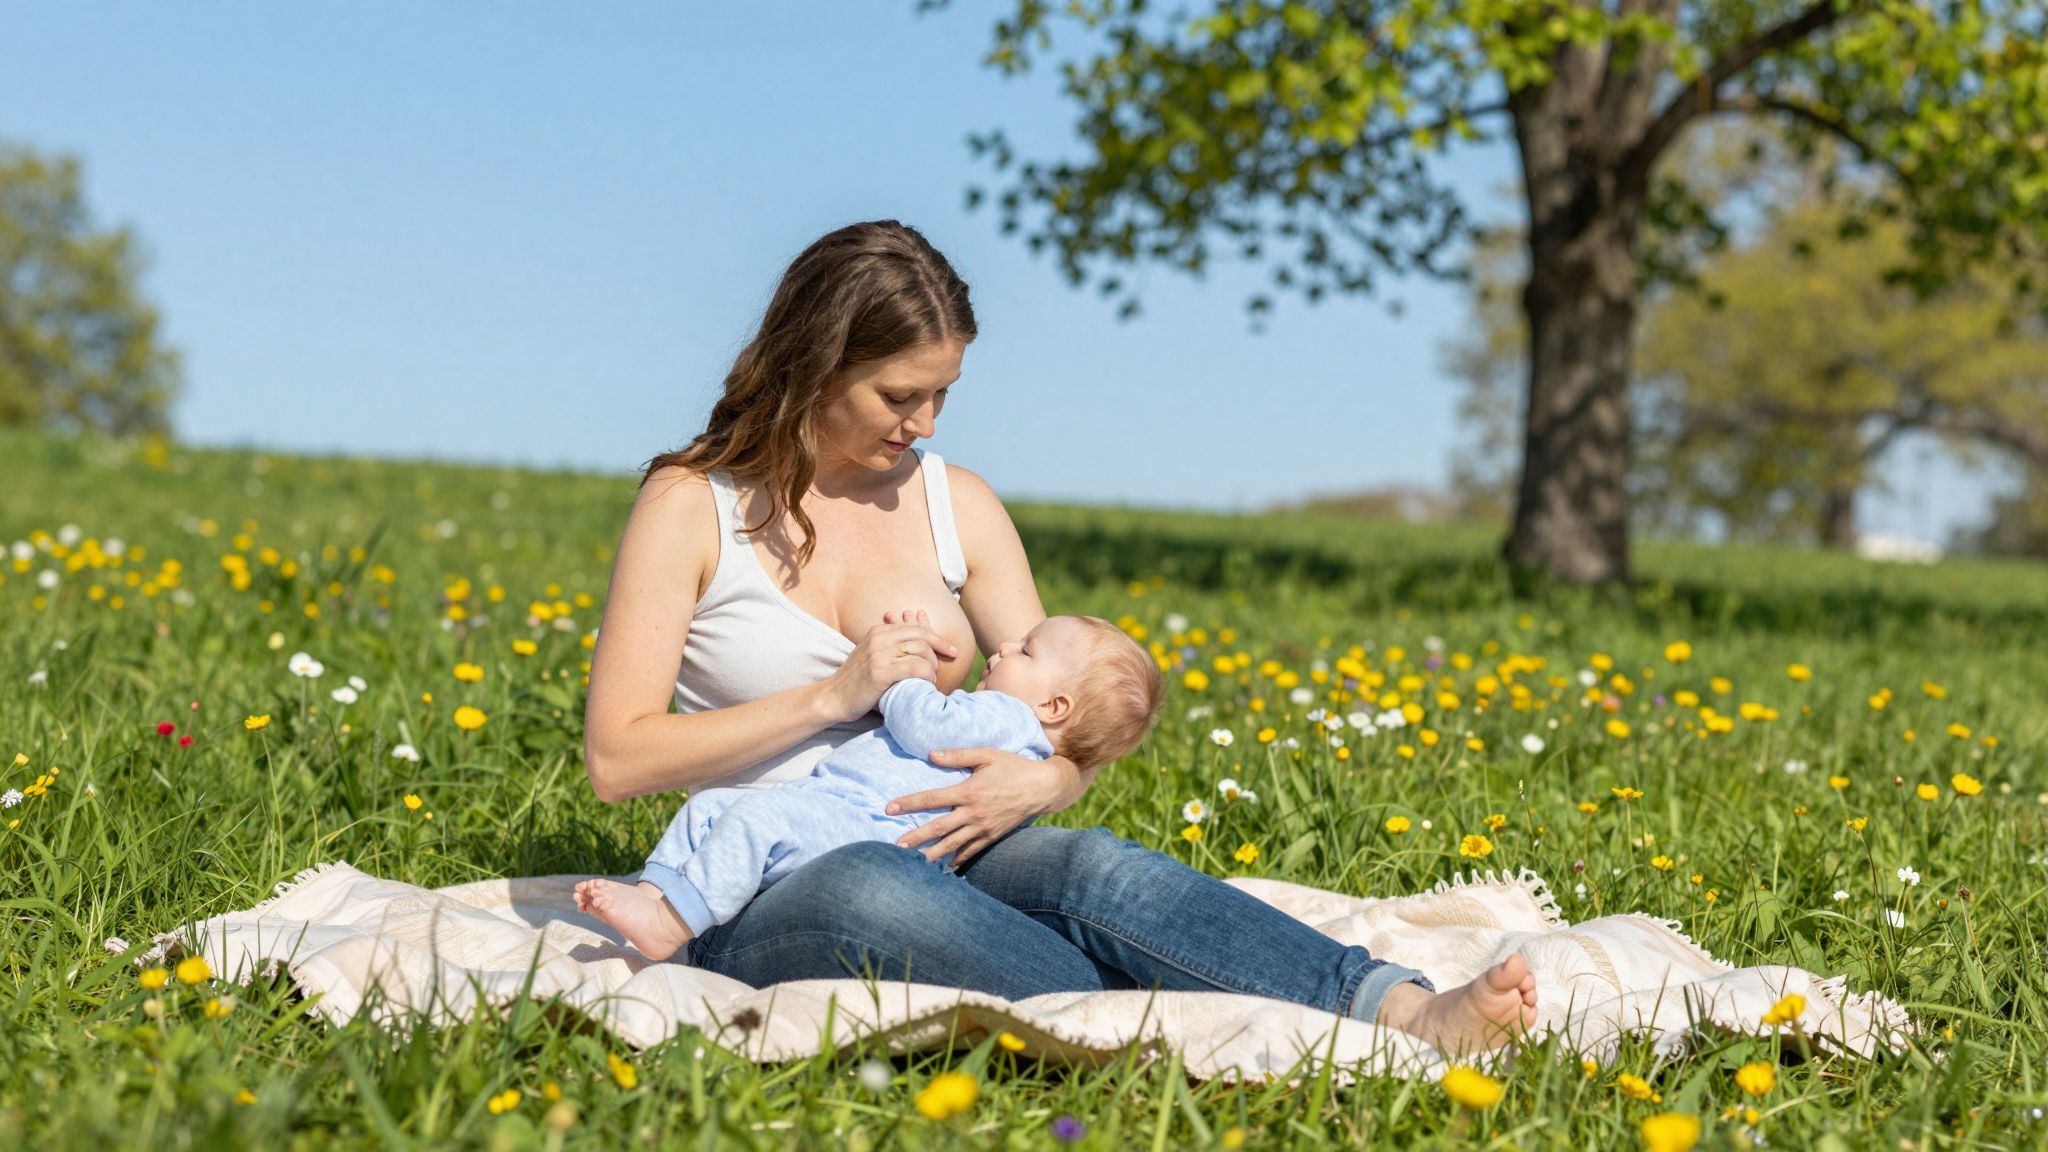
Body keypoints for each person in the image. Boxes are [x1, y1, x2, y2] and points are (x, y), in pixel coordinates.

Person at [582, 219, 1536, 1050]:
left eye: (942, 394)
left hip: (956, 836)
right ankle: (1165, 1023)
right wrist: (831, 699)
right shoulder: (689, 506)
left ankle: (1400, 1011)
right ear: (815, 364)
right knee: (871, 889)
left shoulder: (958, 506)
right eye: (898, 395)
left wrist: (1047, 778)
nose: (922, 422)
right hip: (758, 880)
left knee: (1094, 867)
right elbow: (618, 758)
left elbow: (1066, 706)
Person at [574, 613, 1163, 961]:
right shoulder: (1012, 719)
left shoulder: (1009, 720)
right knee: (714, 808)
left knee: (751, 822)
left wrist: (902, 679)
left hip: (868, 825)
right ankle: (659, 898)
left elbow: (924, 724)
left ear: (1054, 706)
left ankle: (668, 923)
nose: (1004, 646)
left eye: (1026, 650)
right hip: (838, 806)